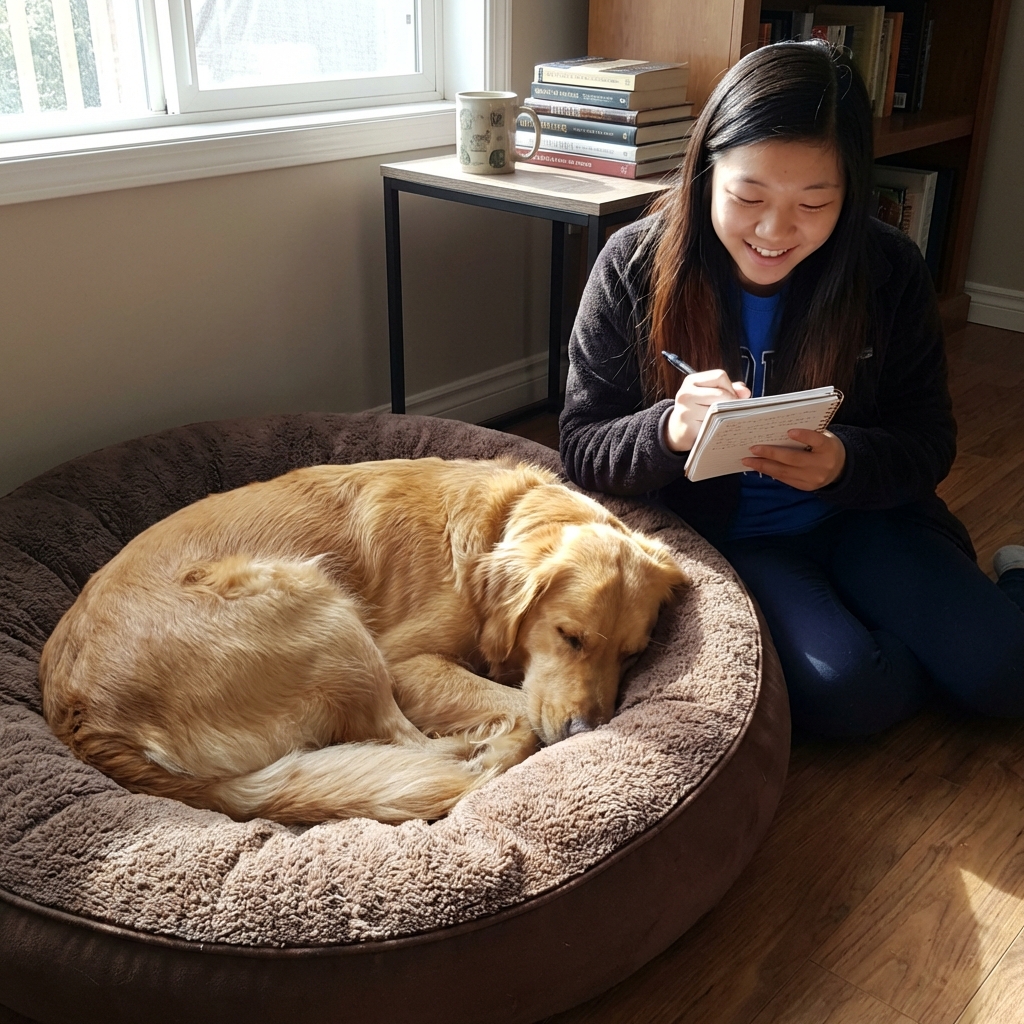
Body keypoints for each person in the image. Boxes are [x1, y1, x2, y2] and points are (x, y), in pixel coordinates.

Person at [558, 41, 1024, 738]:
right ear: (706, 171)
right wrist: (667, 431)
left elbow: (929, 440)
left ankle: (1006, 585)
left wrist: (845, 461)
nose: (775, 231)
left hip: (866, 517)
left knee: (1006, 675)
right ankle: (905, 631)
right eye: (748, 197)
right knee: (852, 698)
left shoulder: (887, 270)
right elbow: (581, 446)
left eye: (815, 202)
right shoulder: (633, 264)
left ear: (851, 195)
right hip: (735, 543)